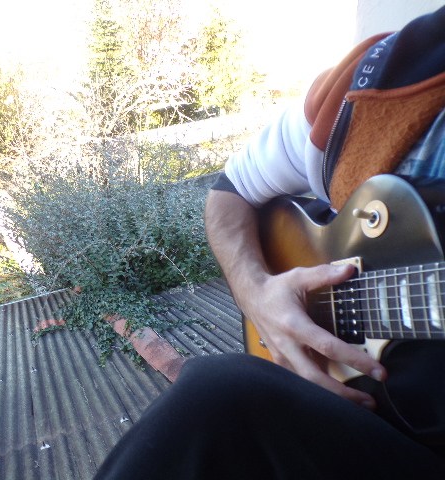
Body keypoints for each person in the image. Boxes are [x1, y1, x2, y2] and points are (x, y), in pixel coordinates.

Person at [94, 6, 445, 479]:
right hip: (363, 422)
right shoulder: (378, 77)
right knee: (216, 395)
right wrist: (258, 294)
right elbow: (229, 191)